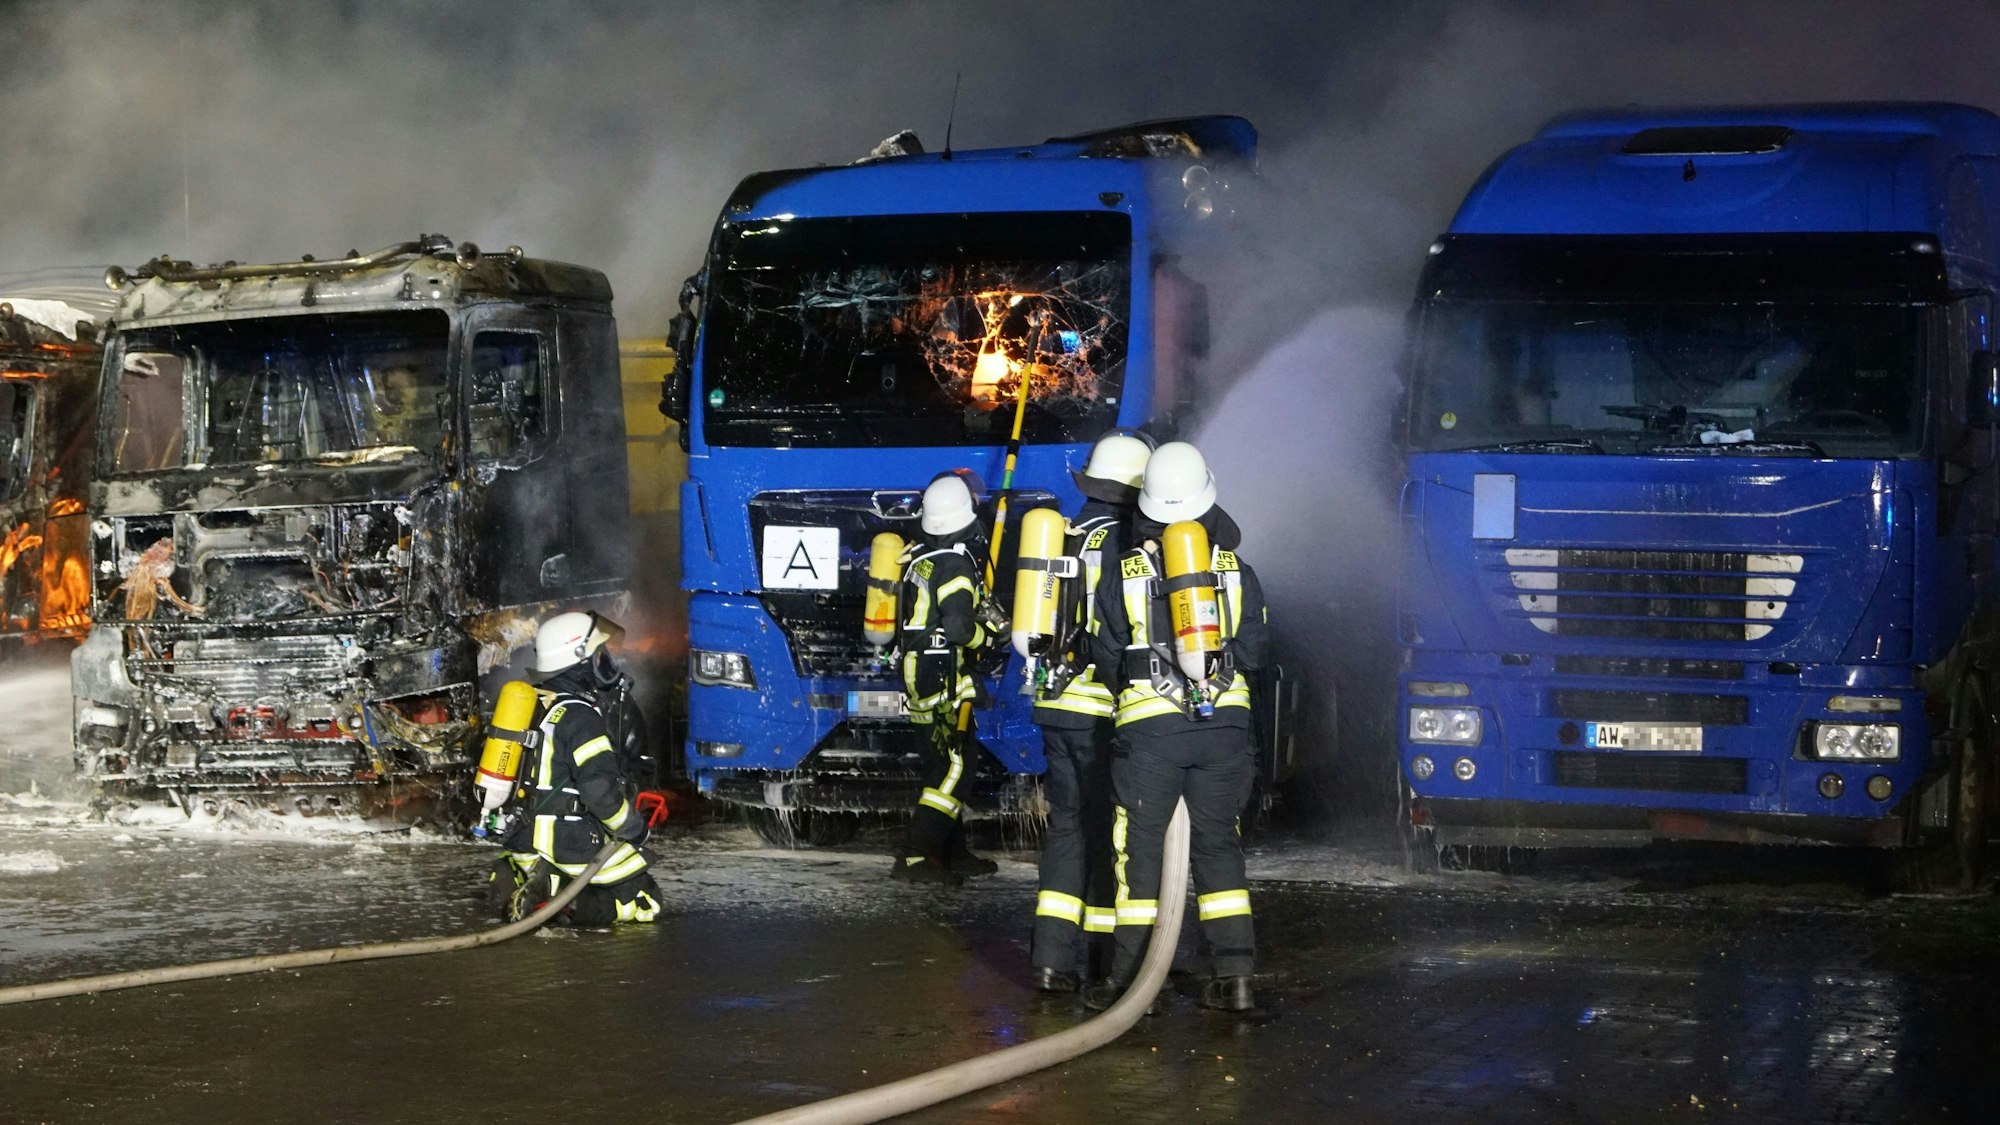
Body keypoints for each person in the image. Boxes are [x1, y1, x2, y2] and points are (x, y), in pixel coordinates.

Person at [1083, 442, 1271, 1013]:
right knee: (1220, 849)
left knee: (1137, 854)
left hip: (1150, 735)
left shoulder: (1124, 572)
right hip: (1225, 734)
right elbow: (1257, 654)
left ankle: (1131, 983)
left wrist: (1140, 692)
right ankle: (1236, 977)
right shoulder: (1239, 571)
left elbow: (1106, 650)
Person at [1027, 431, 1153, 993]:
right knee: (1109, 832)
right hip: (1103, 708)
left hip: (1055, 703)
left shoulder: (1065, 537)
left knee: (1069, 828)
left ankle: (1051, 963)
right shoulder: (1127, 543)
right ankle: (1106, 962)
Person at [490, 611, 663, 925]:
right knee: (646, 901)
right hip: (566, 841)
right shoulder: (581, 718)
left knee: (522, 868)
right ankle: (557, 895)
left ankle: (513, 878)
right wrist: (635, 828)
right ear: (582, 661)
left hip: (522, 838)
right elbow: (600, 793)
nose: (606, 662)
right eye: (600, 656)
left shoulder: (533, 705)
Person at [891, 469, 1001, 885]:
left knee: (939, 761)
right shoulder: (955, 564)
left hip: (921, 673)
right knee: (956, 767)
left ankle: (953, 853)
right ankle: (916, 856)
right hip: (944, 677)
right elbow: (958, 628)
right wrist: (985, 636)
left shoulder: (919, 558)